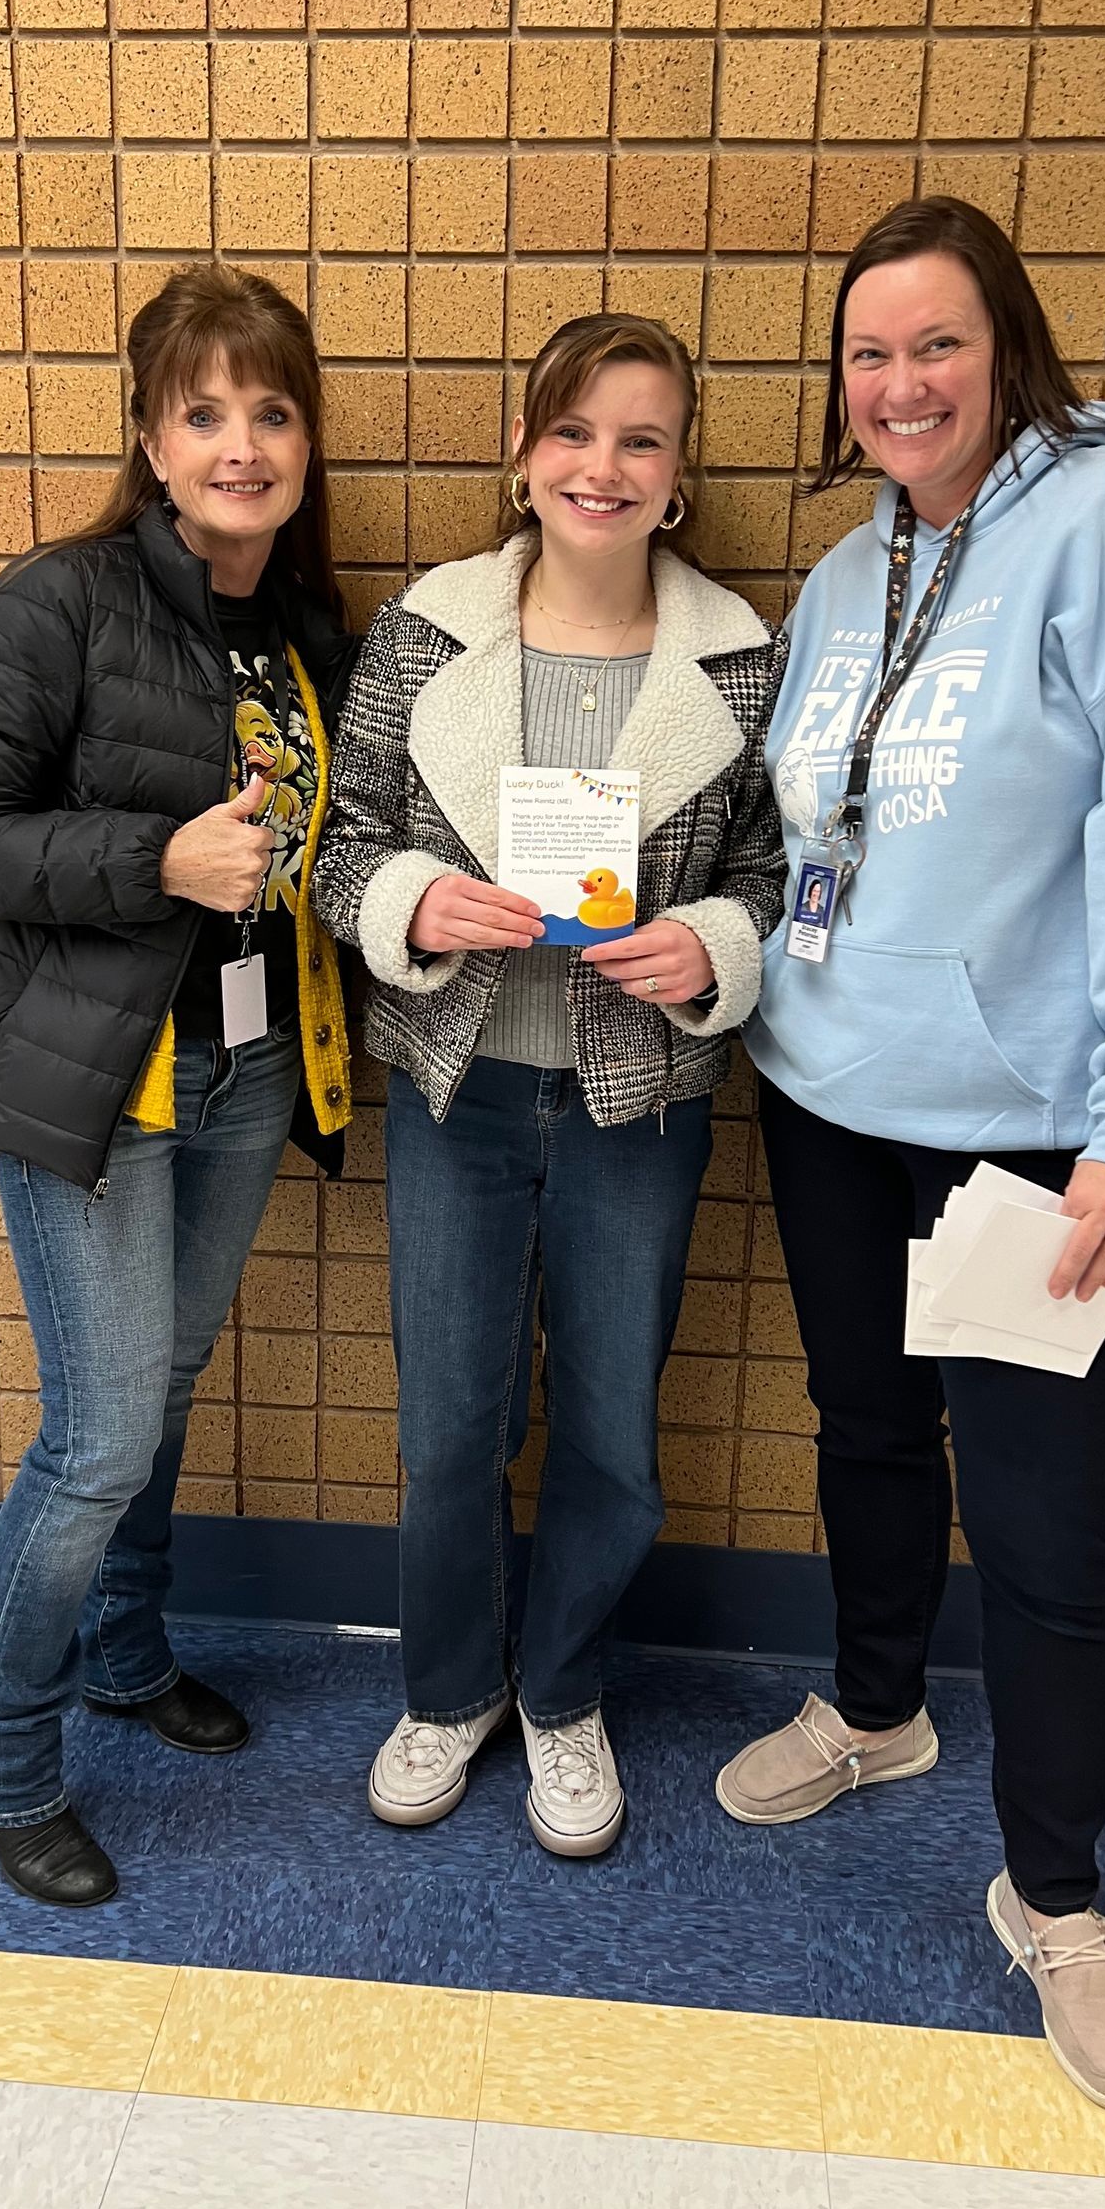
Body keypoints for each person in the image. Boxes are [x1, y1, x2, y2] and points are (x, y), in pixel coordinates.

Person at [723, 197, 1105, 2109]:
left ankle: (1054, 1896)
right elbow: (823, 825)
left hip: (1040, 1147)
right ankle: (879, 1712)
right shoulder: (848, 566)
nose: (901, 385)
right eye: (869, 354)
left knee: (1047, 1530)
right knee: (868, 1429)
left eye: (938, 346)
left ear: (1009, 350)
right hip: (829, 1102)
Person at [0, 265, 356, 1908]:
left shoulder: (305, 623)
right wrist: (154, 857)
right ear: (152, 441)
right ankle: (5, 1764)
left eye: (273, 410)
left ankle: (126, 1653)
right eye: (205, 413)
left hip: (241, 1064)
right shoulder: (60, 603)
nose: (243, 443)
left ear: (306, 439)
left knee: (163, 1388)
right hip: (93, 1080)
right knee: (97, 1434)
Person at [316, 315, 786, 1858]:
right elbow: (339, 847)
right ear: (523, 459)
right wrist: (410, 909)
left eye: (640, 440)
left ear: (678, 480)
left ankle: (565, 1696)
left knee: (608, 1430)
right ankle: (450, 1689)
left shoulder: (739, 656)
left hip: (637, 1101)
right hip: (458, 1096)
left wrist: (711, 946)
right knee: (450, 1424)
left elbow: (786, 877)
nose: (604, 466)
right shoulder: (423, 636)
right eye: (575, 434)